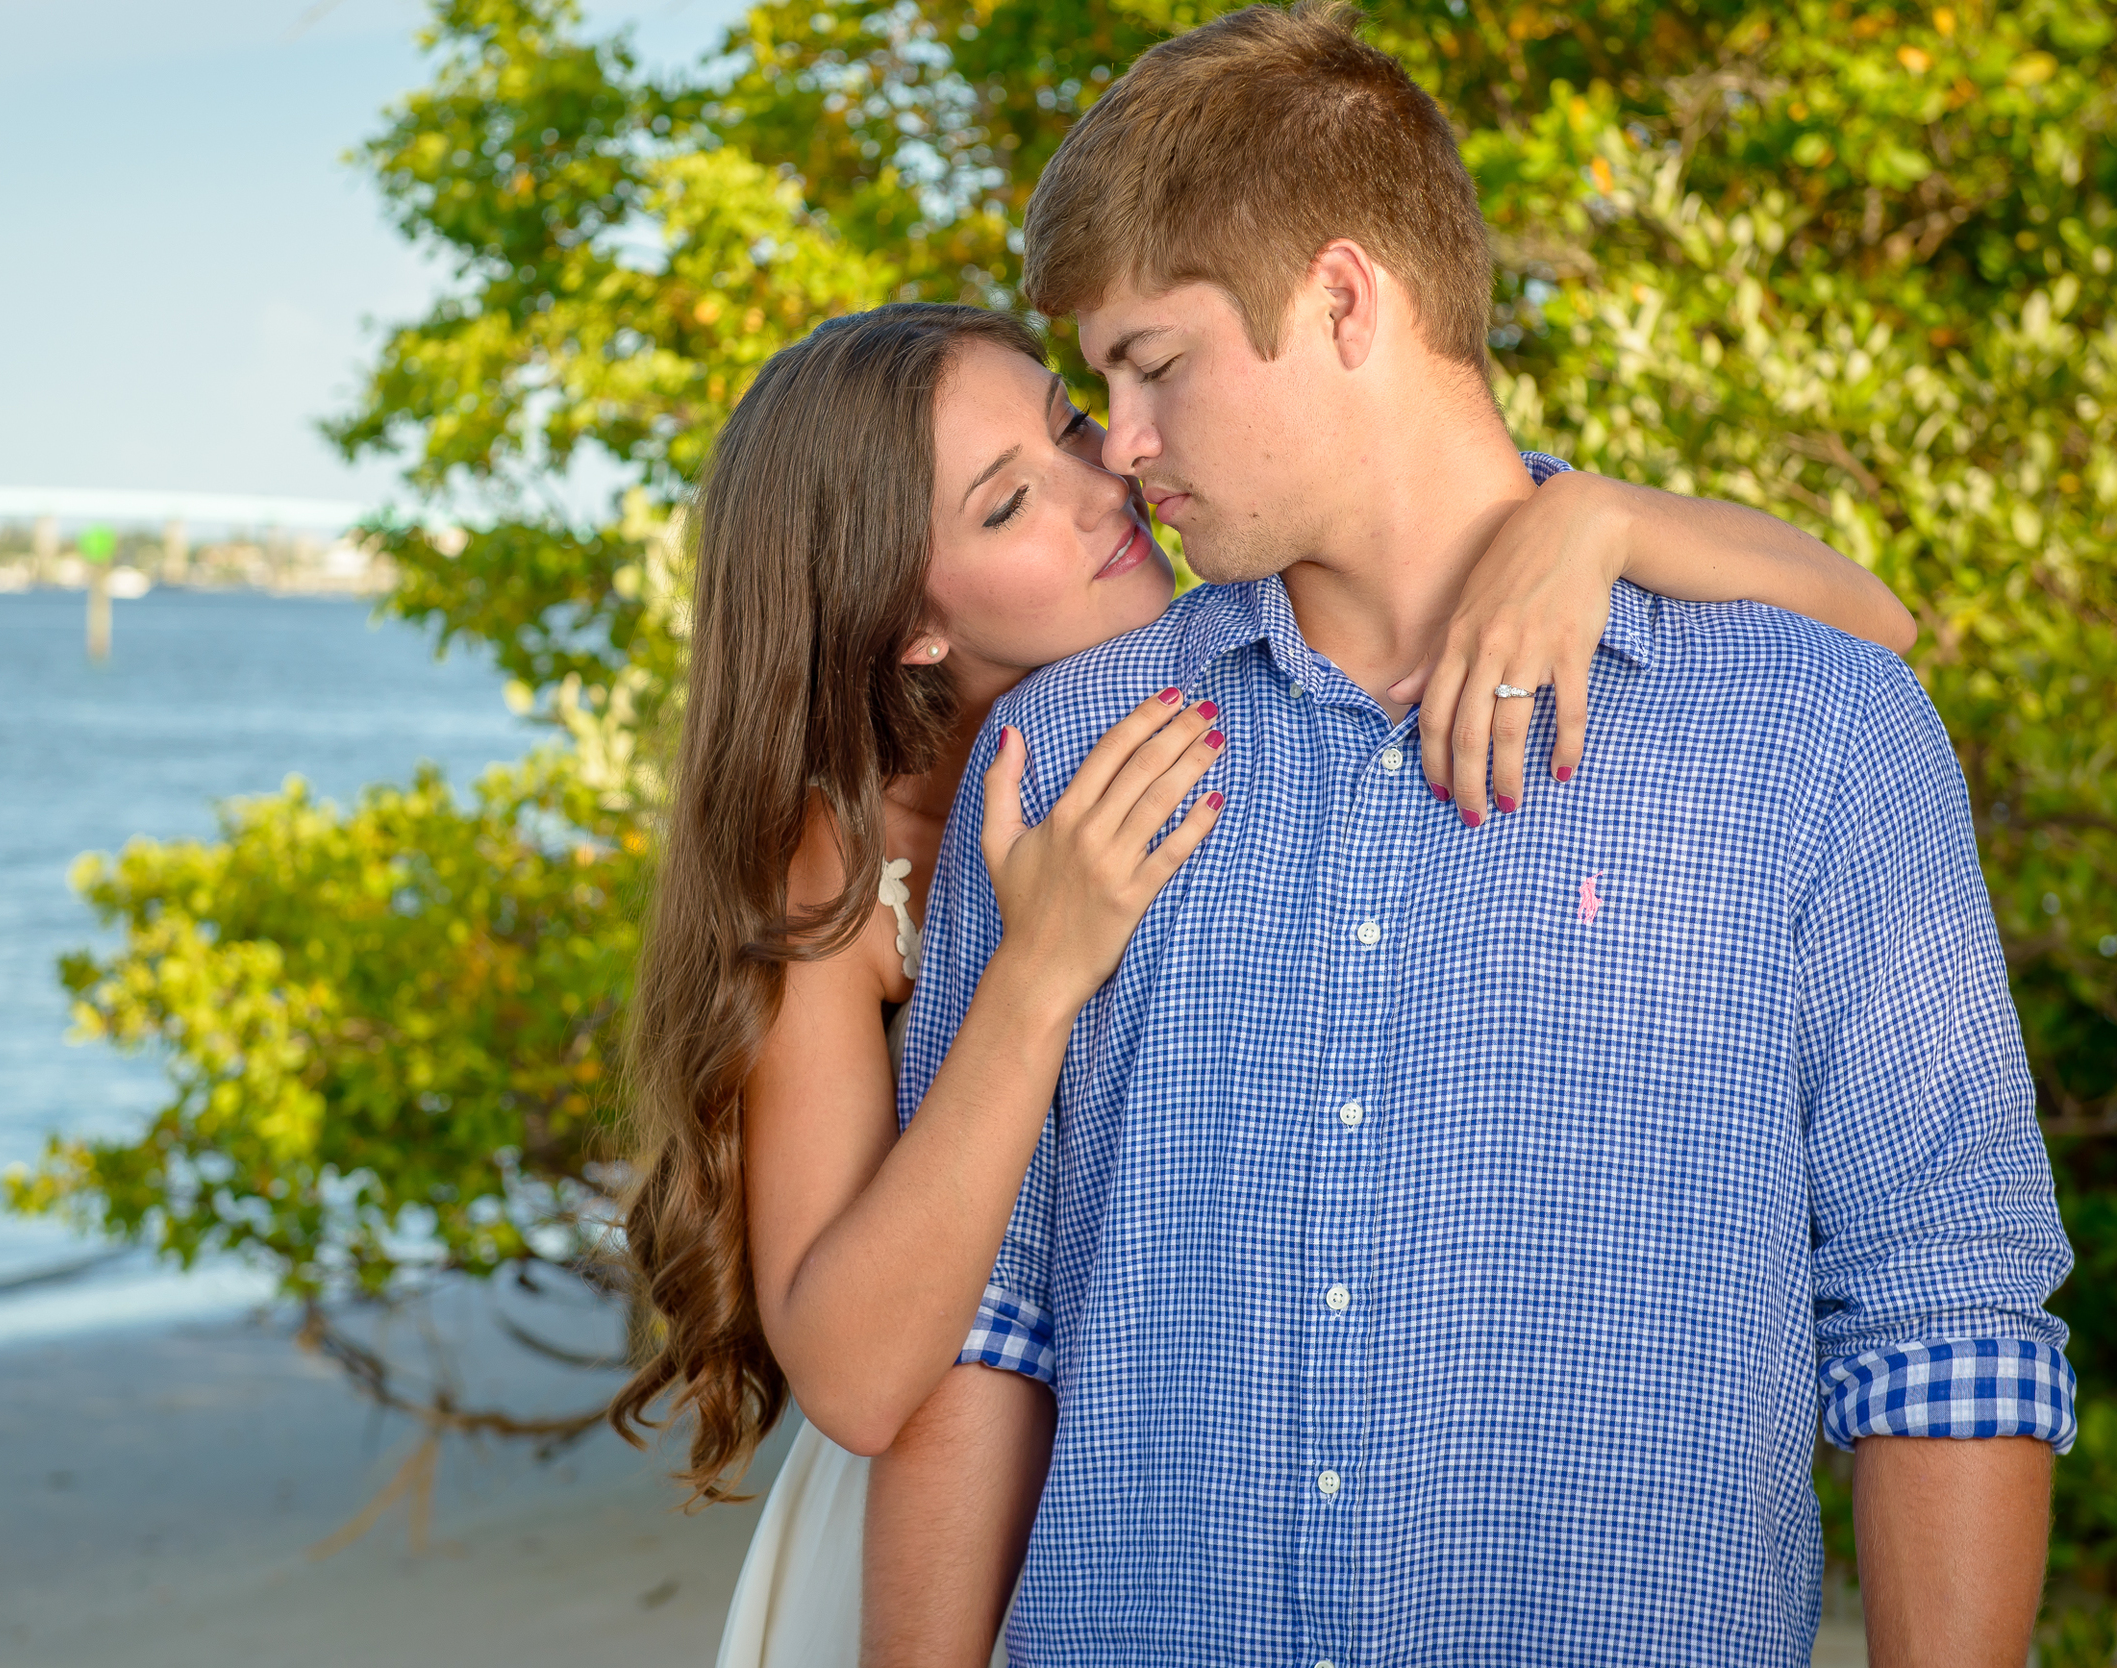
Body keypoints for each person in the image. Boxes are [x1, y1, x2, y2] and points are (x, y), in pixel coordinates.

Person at [876, 7, 2075, 1666]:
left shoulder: (1811, 732)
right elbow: (981, 1331)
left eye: (1154, 364)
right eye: (1102, 387)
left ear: (1346, 299)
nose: (1124, 445)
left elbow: (1944, 1323)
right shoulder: (1063, 753)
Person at [605, 289, 1917, 1662]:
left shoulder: (1259, 641)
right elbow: (865, 1383)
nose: (1101, 479)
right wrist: (1037, 968)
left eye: (1068, 425)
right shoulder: (838, 859)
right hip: (942, 1543)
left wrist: (1604, 521)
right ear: (906, 625)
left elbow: (1870, 631)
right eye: (1007, 507)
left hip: (1190, 1483)